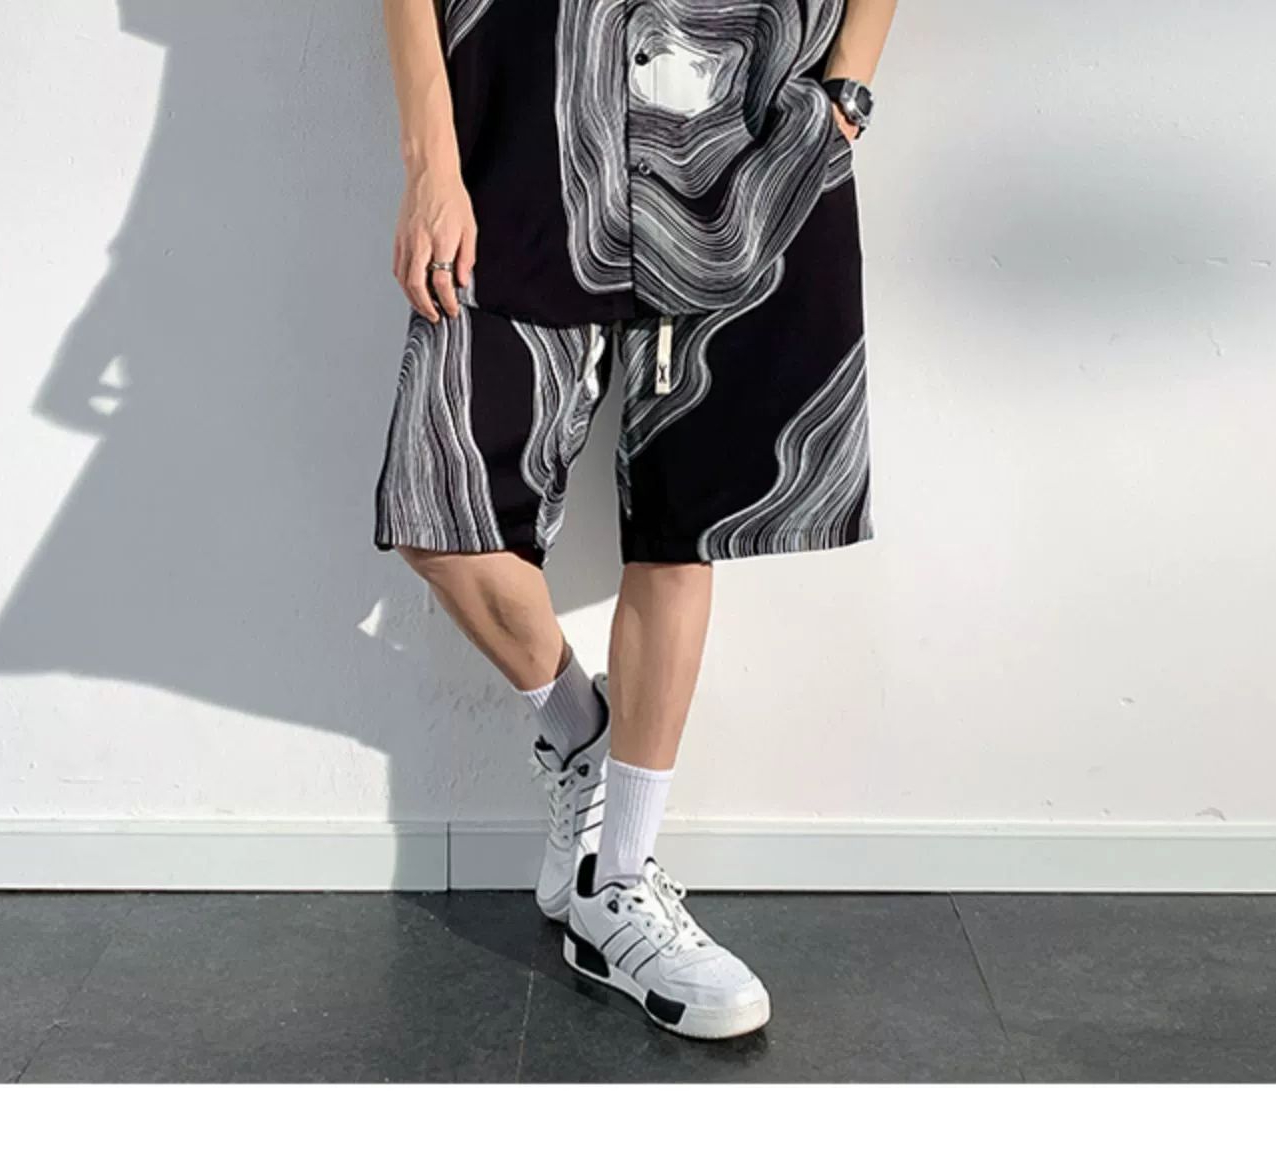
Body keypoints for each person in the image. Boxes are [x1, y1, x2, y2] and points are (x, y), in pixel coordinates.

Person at [377, 0, 897, 1040]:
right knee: (444, 507)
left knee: (685, 515)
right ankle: (583, 736)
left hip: (740, 133)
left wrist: (845, 89)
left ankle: (618, 882)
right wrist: (431, 163)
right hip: (523, 123)